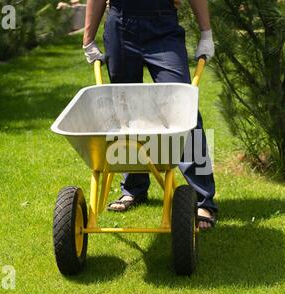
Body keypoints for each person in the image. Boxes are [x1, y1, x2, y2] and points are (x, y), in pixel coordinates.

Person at [82, 0, 218, 230]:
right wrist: (88, 39)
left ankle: (204, 199)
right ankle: (133, 188)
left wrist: (206, 32)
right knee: (124, 111)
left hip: (163, 25)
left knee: (185, 111)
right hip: (121, 24)